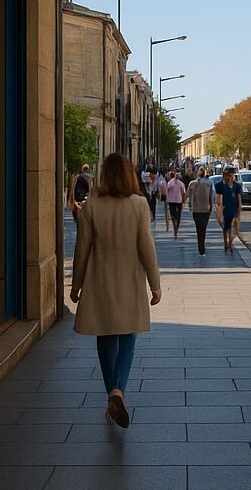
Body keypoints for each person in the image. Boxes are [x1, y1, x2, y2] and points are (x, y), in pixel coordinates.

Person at [70, 152, 162, 429]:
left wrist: (76, 284)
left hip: (99, 280)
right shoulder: (139, 204)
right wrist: (154, 284)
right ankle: (118, 390)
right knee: (128, 336)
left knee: (105, 336)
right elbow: (146, 246)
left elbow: (82, 248)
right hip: (130, 280)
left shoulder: (91, 205)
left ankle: (112, 390)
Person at [186, 168, 214, 254]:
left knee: (198, 228)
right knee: (204, 228)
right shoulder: (209, 183)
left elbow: (188, 195)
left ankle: (200, 247)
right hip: (206, 208)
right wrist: (211, 206)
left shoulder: (192, 183)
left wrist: (190, 205)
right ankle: (202, 247)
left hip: (196, 209)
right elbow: (212, 196)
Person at [215, 166, 242, 253]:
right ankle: (226, 243)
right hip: (225, 210)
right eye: (228, 175)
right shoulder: (220, 186)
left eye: (231, 175)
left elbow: (239, 200)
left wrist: (239, 213)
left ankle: (230, 243)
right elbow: (218, 201)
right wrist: (219, 213)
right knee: (226, 228)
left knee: (233, 229)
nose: (229, 177)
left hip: (233, 210)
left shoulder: (237, 186)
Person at [165, 170, 185, 238]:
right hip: (179, 201)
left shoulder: (170, 183)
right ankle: (176, 228)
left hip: (171, 201)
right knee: (178, 215)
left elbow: (166, 191)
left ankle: (175, 228)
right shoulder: (181, 183)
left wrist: (167, 199)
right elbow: (183, 192)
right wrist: (183, 199)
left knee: (173, 215)